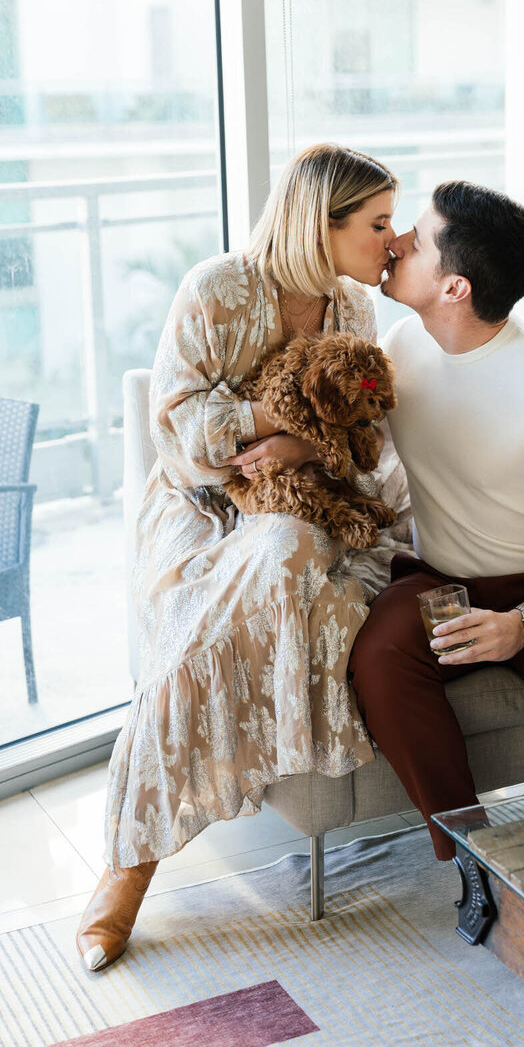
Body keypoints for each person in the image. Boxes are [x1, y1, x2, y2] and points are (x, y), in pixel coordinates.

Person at [76, 143, 403, 972]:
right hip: (199, 505)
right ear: (319, 226)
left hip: (306, 506)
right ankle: (129, 859)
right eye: (377, 224)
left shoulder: (355, 314)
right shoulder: (218, 289)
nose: (392, 242)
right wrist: (264, 425)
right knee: (255, 576)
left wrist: (305, 445)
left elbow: (366, 440)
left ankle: (133, 853)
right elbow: (173, 430)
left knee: (290, 548)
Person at [348, 181, 524, 861]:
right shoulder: (399, 345)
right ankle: (473, 853)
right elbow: (351, 421)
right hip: (442, 583)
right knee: (378, 655)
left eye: (414, 240)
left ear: (454, 288)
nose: (395, 244)